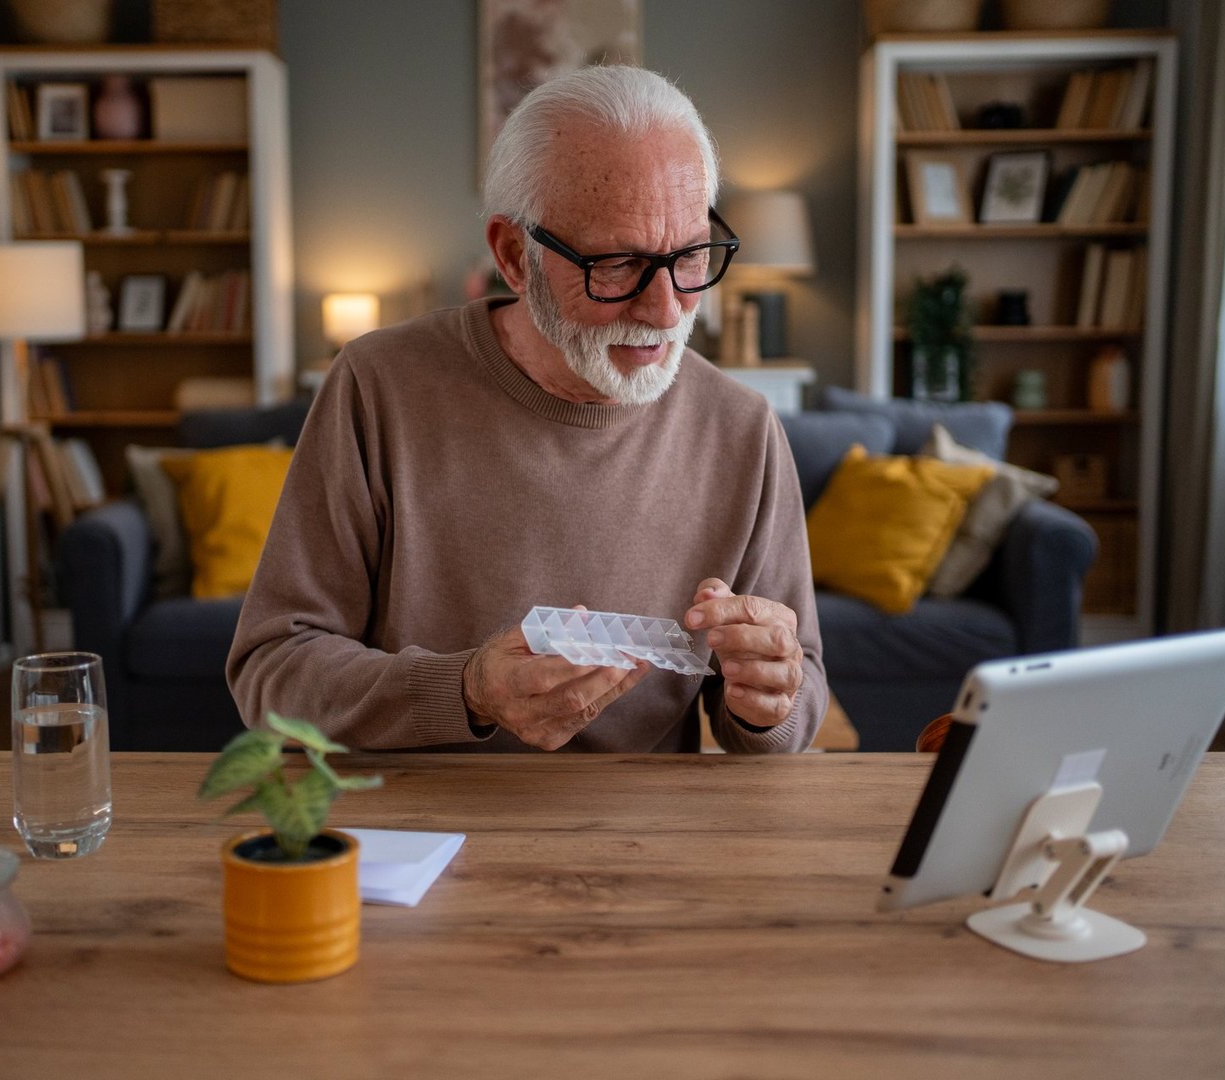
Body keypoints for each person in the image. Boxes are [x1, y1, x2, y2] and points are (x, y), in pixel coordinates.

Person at [227, 65, 827, 752]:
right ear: (515, 256)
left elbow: (798, 702)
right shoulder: (378, 385)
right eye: (616, 264)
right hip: (414, 833)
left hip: (642, 843)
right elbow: (269, 673)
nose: (666, 309)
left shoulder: (742, 428)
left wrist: (766, 703)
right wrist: (465, 691)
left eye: (691, 255)